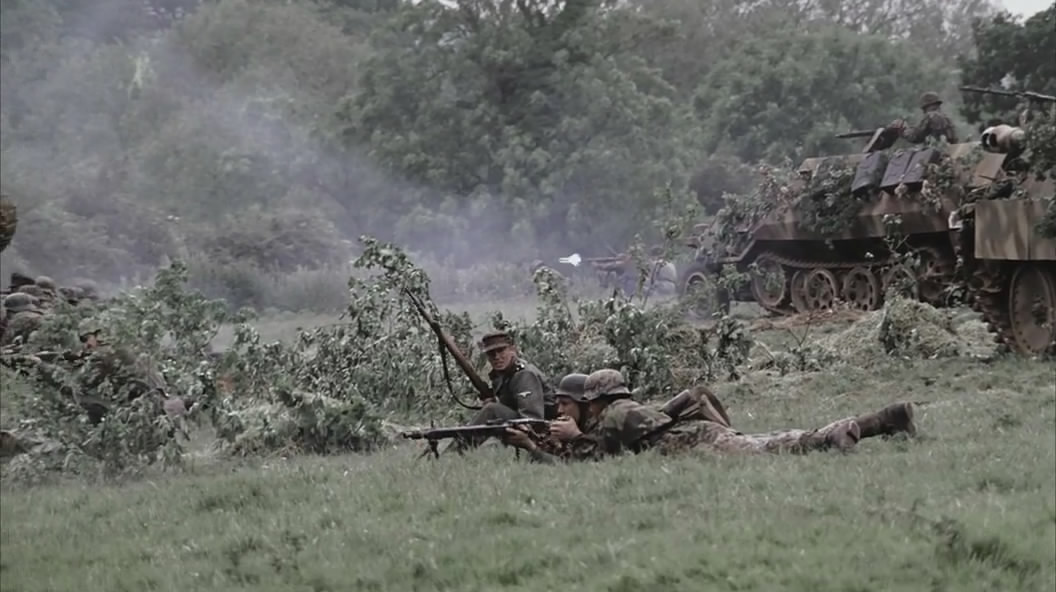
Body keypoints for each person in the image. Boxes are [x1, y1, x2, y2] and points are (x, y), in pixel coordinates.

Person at [506, 369, 916, 463]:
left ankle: (836, 433)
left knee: (773, 447)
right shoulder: (623, 410)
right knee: (774, 439)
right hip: (696, 435)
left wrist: (567, 439)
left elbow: (596, 459)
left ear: (594, 402)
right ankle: (885, 419)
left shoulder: (615, 415)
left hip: (695, 441)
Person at [444, 331, 555, 453]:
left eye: (501, 351)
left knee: (492, 410)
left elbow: (532, 421)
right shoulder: (503, 374)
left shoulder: (524, 375)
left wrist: (498, 411)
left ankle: (453, 453)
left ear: (512, 349)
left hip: (548, 432)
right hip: (534, 429)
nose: (497, 357)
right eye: (491, 354)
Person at [889, 92, 958, 145]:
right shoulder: (947, 118)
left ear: (925, 106)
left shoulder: (930, 116)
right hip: (951, 152)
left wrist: (903, 131)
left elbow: (917, 136)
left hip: (938, 152)